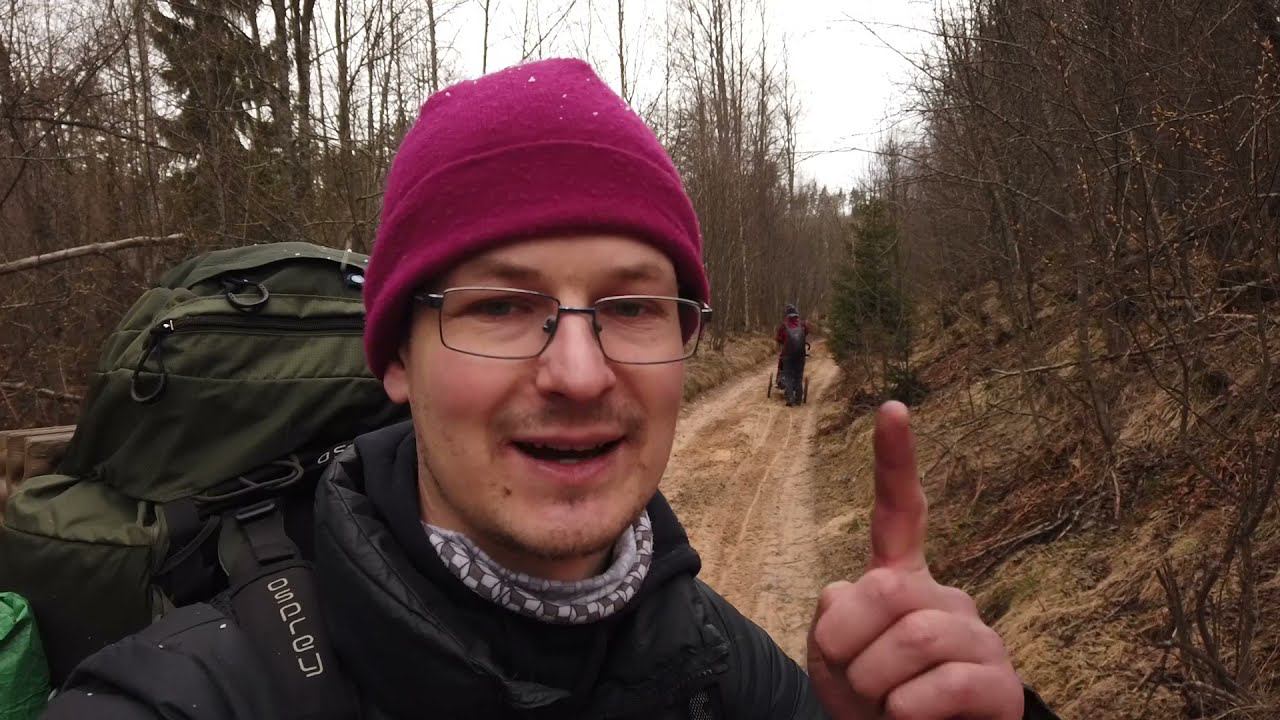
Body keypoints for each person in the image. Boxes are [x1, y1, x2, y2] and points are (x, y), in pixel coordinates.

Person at [42, 58, 1056, 720]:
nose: (577, 372)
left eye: (632, 306)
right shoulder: (195, 693)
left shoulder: (716, 664)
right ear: (395, 358)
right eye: (498, 306)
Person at [775, 304, 810, 405]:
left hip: (788, 355)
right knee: (798, 376)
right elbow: (806, 333)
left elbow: (779, 339)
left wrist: (784, 342)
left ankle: (790, 398)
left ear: (787, 315)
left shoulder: (784, 326)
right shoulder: (802, 324)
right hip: (800, 355)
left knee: (788, 376)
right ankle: (798, 399)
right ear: (796, 314)